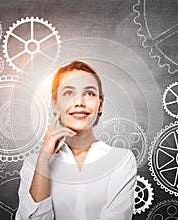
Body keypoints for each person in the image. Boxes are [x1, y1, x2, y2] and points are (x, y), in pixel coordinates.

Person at [16, 61, 137, 220]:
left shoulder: (121, 160)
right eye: (68, 93)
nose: (79, 102)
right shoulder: (33, 164)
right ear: (55, 105)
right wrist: (44, 158)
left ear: (100, 105)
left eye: (89, 93)